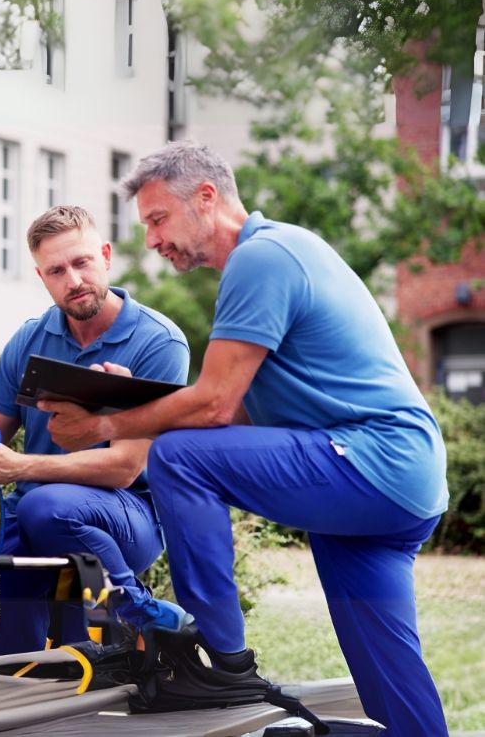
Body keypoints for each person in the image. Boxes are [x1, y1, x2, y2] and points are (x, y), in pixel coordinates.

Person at [42, 141, 449, 735]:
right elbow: (238, 418)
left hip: (374, 458)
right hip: (394, 482)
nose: (152, 241)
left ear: (206, 198)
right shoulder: (278, 255)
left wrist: (100, 426)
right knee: (386, 670)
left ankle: (224, 660)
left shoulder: (263, 258)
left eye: (158, 219)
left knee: (179, 458)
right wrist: (136, 400)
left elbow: (211, 410)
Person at [0, 205, 190, 655]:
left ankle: (141, 615)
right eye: (56, 270)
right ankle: (23, 674)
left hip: (131, 518)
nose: (73, 280)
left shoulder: (157, 343)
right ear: (41, 277)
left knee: (43, 508)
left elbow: (125, 468)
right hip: (37, 512)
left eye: (82, 262)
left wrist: (20, 466)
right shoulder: (30, 340)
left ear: (105, 256)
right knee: (7, 557)